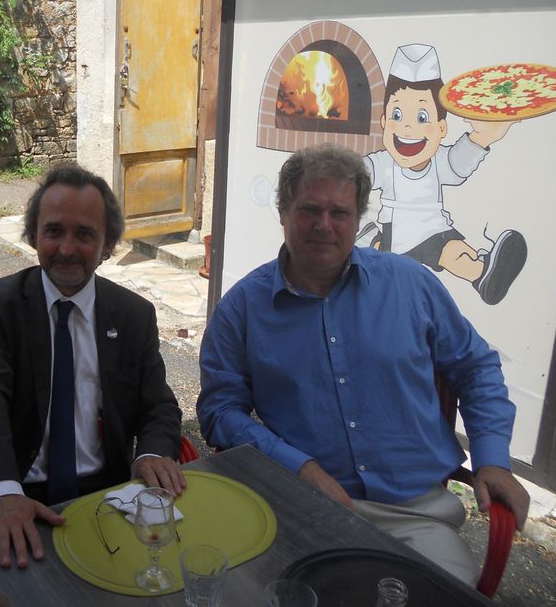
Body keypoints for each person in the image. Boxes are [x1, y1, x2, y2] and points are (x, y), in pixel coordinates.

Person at [197, 144, 530, 586]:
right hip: (297, 506)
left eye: (340, 212)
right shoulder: (242, 308)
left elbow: (476, 367)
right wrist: (297, 466)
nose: (324, 225)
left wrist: (493, 459)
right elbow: (220, 410)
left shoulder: (410, 285)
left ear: (359, 219)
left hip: (415, 515)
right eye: (309, 209)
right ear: (282, 212)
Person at [0, 164, 185, 569]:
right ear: (33, 235)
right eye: (54, 231)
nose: (66, 248)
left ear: (108, 243)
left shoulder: (133, 315)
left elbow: (158, 405)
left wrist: (149, 453)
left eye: (84, 234)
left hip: (106, 494)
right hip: (17, 487)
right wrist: (3, 490)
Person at [359, 43, 525, 305]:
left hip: (435, 229)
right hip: (397, 236)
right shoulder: (385, 163)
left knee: (454, 252)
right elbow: (360, 174)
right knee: (389, 270)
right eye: (398, 114)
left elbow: (458, 164)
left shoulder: (438, 160)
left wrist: (482, 136)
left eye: (422, 116)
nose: (409, 126)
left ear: (442, 128)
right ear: (384, 123)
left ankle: (484, 275)